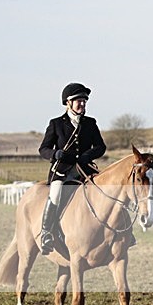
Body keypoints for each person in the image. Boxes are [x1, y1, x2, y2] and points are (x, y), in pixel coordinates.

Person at [38, 82, 106, 255]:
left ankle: (123, 232)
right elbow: (43, 149)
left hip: (85, 169)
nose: (82, 104)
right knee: (55, 192)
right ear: (68, 103)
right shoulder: (56, 124)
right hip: (63, 171)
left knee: (107, 191)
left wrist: (88, 156)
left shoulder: (90, 123)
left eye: (84, 101)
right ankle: (46, 233)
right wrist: (56, 154)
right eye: (78, 101)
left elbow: (100, 147)